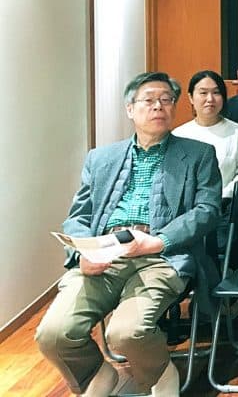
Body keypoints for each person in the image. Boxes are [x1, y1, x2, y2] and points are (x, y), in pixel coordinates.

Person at [36, 72, 221, 397]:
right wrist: (84, 253)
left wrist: (159, 240)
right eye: (149, 100)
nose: (158, 106)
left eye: (166, 100)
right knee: (53, 334)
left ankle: (161, 373)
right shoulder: (101, 158)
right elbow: (79, 216)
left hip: (161, 256)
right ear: (130, 109)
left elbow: (207, 211)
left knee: (127, 332)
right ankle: (97, 372)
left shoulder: (198, 154)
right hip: (104, 255)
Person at [173, 71, 238, 264]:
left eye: (216, 93)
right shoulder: (179, 134)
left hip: (225, 209)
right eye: (203, 93)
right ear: (191, 98)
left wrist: (217, 197)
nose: (210, 99)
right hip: (188, 210)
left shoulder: (237, 131)